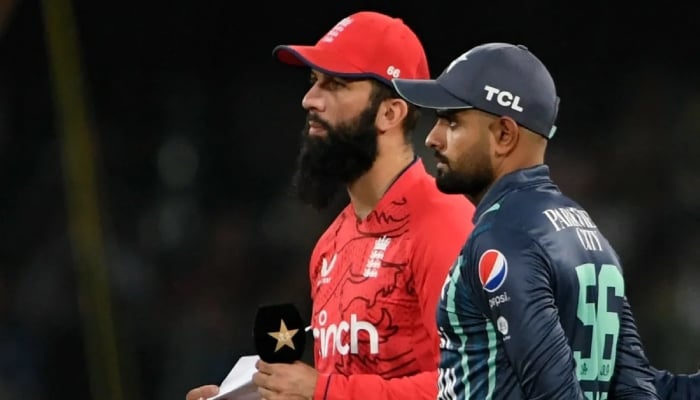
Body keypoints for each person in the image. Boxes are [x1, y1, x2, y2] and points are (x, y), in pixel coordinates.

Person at [186, 11, 475, 400]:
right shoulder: (330, 245)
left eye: (336, 84)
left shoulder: (444, 227)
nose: (309, 99)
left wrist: (322, 390)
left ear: (390, 112)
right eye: (313, 81)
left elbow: (474, 386)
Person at [392, 42, 700, 399]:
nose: (432, 138)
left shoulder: (503, 236)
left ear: (504, 135)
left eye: (452, 121)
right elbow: (638, 390)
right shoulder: (585, 231)